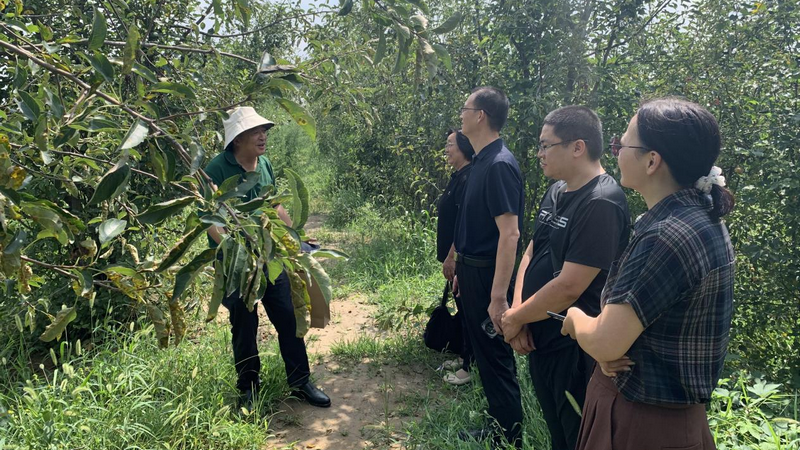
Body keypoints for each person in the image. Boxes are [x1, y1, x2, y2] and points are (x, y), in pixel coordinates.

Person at [560, 97, 736, 450]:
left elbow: (607, 342)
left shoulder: (665, 236)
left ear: (652, 161)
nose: (616, 152)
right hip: (675, 422)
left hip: (639, 424)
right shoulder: (702, 217)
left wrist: (575, 319)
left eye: (621, 145)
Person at [499, 106, 630, 450]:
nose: (539, 153)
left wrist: (515, 317)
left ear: (577, 147)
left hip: (574, 347)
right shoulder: (557, 190)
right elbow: (532, 252)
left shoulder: (601, 202)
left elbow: (571, 285)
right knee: (557, 432)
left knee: (578, 437)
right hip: (539, 336)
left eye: (546, 145)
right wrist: (519, 315)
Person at [204, 106, 331, 410]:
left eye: (264, 130)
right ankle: (248, 388)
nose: (262, 136)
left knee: (288, 316)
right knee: (244, 324)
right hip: (236, 266)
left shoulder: (264, 164)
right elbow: (211, 221)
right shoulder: (216, 170)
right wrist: (237, 251)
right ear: (237, 139)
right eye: (255, 131)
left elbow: (274, 207)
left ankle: (300, 382)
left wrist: (296, 239)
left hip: (270, 259)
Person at [453, 86, 524, 447]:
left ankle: (509, 435)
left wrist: (498, 296)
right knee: (484, 352)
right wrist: (459, 266)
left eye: (465, 109)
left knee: (495, 355)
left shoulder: (499, 165)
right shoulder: (482, 160)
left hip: (487, 275)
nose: (460, 115)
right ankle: (499, 422)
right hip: (472, 271)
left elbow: (510, 234)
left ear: (480, 116)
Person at [436, 129, 475, 386]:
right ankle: (464, 355)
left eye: (450, 144)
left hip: (461, 258)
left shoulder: (468, 178)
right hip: (453, 257)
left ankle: (470, 364)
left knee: (468, 309)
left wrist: (452, 257)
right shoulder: (458, 176)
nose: (446, 149)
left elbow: (463, 223)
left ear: (463, 147)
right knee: (461, 308)